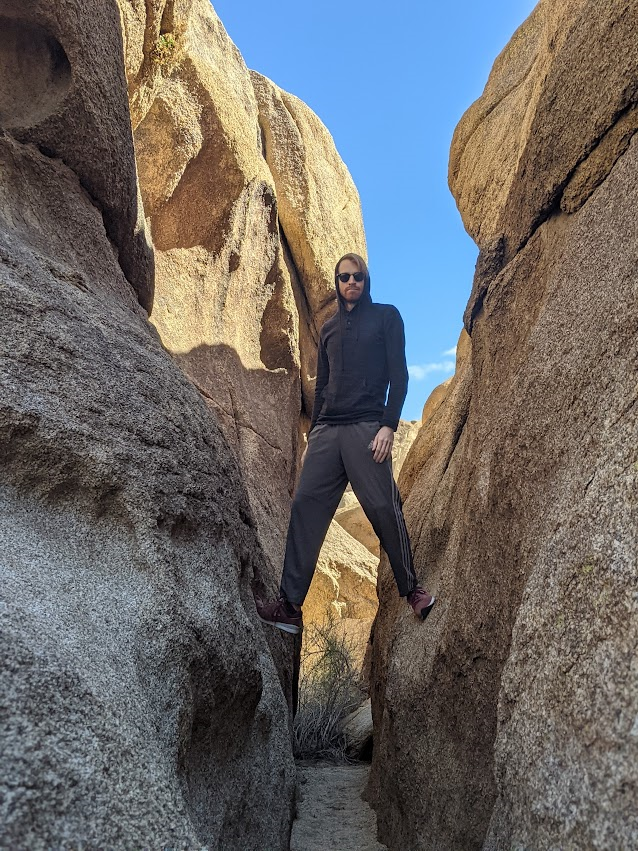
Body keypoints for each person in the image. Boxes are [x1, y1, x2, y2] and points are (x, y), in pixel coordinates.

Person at [256, 253, 435, 635]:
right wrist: (314, 433)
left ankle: (412, 590)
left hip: (368, 428)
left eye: (357, 277)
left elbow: (399, 376)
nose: (351, 282)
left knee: (383, 506)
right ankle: (289, 606)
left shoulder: (387, 317)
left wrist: (388, 426)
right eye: (344, 277)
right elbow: (322, 385)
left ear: (366, 281)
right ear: (337, 283)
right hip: (328, 432)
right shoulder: (331, 329)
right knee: (305, 506)